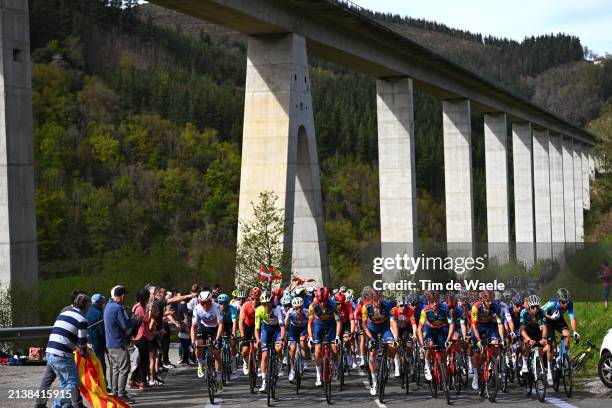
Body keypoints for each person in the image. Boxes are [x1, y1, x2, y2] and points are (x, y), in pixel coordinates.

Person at [36, 290, 85, 408]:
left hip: (52, 349)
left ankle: (42, 404)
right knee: (72, 382)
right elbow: (76, 336)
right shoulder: (78, 315)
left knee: (59, 381)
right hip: (61, 352)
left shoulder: (64, 311)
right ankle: (68, 404)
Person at [104, 285, 139, 403]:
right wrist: (133, 320)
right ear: (122, 296)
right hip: (118, 342)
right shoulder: (118, 308)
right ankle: (121, 394)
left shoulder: (108, 306)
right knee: (124, 368)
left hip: (110, 343)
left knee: (115, 368)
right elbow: (125, 326)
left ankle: (115, 393)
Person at [470, 290, 505, 390]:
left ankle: (491, 363)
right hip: (478, 327)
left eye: (492, 300)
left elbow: (499, 324)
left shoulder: (495, 306)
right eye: (488, 301)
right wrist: (478, 340)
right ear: (483, 300)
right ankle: (476, 376)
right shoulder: (476, 307)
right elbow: (474, 325)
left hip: (490, 326)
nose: (490, 303)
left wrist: (502, 339)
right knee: (476, 353)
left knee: (496, 343)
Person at [417, 291, 454, 385]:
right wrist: (422, 345)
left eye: (436, 301)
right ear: (428, 302)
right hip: (429, 329)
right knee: (430, 345)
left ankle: (444, 379)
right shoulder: (425, 310)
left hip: (440, 330)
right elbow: (419, 329)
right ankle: (427, 365)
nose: (435, 303)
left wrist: (448, 340)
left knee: (443, 356)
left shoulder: (445, 308)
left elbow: (452, 325)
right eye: (432, 302)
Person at [308, 287, 342, 388]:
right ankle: (318, 376)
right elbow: (310, 324)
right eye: (320, 301)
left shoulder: (333, 304)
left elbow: (338, 321)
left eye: (324, 301)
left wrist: (337, 336)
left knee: (334, 348)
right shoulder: (312, 306)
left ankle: (335, 366)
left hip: (331, 324)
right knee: (317, 350)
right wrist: (310, 337)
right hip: (319, 324)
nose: (322, 304)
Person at [191, 290, 224, 392]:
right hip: (203, 327)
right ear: (200, 302)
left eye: (207, 302)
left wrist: (218, 339)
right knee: (198, 345)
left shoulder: (217, 307)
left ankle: (219, 379)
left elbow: (221, 325)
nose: (205, 305)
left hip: (215, 328)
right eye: (202, 303)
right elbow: (193, 327)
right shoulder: (197, 308)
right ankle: (200, 363)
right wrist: (192, 342)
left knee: (216, 353)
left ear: (211, 301)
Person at [255, 291, 285, 393]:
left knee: (278, 348)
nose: (266, 306)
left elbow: (282, 326)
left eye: (268, 304)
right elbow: (257, 328)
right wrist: (258, 339)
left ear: (272, 302)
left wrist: (282, 339)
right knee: (264, 355)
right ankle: (264, 382)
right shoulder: (259, 310)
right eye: (264, 304)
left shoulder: (278, 309)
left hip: (277, 330)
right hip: (266, 329)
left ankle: (280, 362)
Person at [520, 295, 551, 384]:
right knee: (527, 344)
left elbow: (544, 327)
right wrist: (529, 339)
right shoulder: (524, 312)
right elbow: (522, 330)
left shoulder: (541, 312)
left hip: (537, 331)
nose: (535, 309)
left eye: (537, 307)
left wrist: (544, 338)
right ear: (529, 307)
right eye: (533, 307)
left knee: (542, 348)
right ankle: (525, 363)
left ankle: (538, 367)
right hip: (527, 332)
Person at [129, 289, 154, 389]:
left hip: (139, 336)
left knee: (140, 359)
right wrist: (150, 311)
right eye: (147, 296)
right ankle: (143, 382)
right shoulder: (139, 308)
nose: (148, 299)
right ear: (144, 297)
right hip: (141, 336)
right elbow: (146, 320)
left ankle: (132, 379)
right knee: (144, 360)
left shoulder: (137, 306)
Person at [239, 287, 261, 375]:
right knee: (244, 351)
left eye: (257, 299)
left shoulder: (262, 306)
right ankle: (245, 363)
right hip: (247, 327)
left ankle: (259, 365)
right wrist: (242, 335)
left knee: (258, 346)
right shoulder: (246, 305)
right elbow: (241, 321)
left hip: (258, 327)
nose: (254, 301)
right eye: (252, 299)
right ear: (249, 298)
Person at [86, 294, 107, 382]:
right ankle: (103, 383)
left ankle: (95, 382)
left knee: (92, 363)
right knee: (101, 363)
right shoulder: (98, 313)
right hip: (98, 342)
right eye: (102, 300)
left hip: (88, 341)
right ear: (99, 302)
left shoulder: (87, 311)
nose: (103, 302)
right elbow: (102, 330)